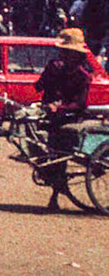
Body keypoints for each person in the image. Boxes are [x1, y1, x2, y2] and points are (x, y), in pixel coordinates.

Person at [37, 27, 95, 209]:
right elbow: (39, 87)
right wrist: (48, 72)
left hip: (69, 118)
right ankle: (46, 172)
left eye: (66, 52)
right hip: (51, 113)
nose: (62, 55)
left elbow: (79, 104)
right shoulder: (56, 68)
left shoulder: (83, 76)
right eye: (62, 52)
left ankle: (55, 193)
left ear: (76, 56)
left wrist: (59, 107)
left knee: (58, 153)